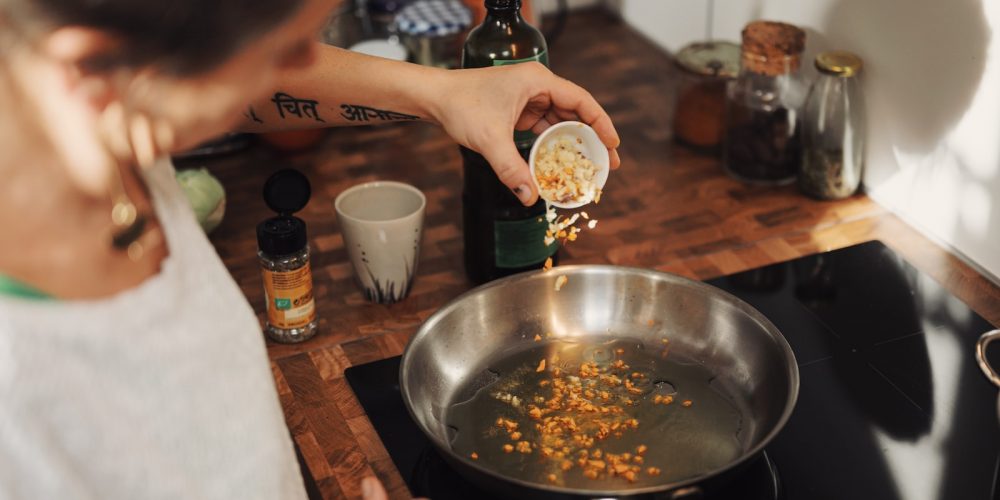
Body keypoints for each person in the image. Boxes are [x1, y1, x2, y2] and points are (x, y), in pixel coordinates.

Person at [0, 0, 620, 498]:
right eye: (282, 48)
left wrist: (443, 92)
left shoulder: (99, 128)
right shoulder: (21, 395)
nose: (301, 65)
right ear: (93, 69)